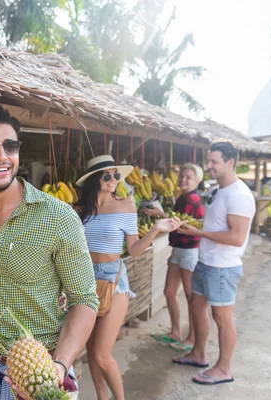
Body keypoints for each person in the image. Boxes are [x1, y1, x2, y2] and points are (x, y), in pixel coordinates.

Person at [0, 104, 99, 399]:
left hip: (43, 371)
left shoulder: (58, 216)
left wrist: (58, 366)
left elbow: (84, 300)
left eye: (10, 146)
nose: (1, 156)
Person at [75, 155, 183, 400]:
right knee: (91, 351)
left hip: (114, 279)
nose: (114, 180)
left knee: (102, 354)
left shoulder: (126, 205)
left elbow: (133, 250)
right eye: (107, 175)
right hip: (84, 280)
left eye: (116, 175)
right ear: (94, 179)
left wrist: (156, 229)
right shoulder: (79, 209)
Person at [173, 140, 256, 385]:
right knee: (196, 306)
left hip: (223, 266)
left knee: (222, 318)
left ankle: (223, 368)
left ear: (230, 163)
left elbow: (236, 237)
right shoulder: (219, 190)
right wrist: (199, 229)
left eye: (213, 162)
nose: (207, 166)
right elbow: (216, 225)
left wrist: (198, 234)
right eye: (208, 161)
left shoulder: (239, 195)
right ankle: (198, 354)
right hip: (205, 260)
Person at [146, 163, 205, 352]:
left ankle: (192, 338)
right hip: (178, 250)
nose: (183, 180)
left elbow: (182, 224)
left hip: (189, 251)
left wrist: (160, 214)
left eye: (188, 177)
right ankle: (176, 332)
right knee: (170, 292)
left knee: (190, 297)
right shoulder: (183, 197)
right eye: (182, 176)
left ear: (197, 181)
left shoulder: (192, 198)